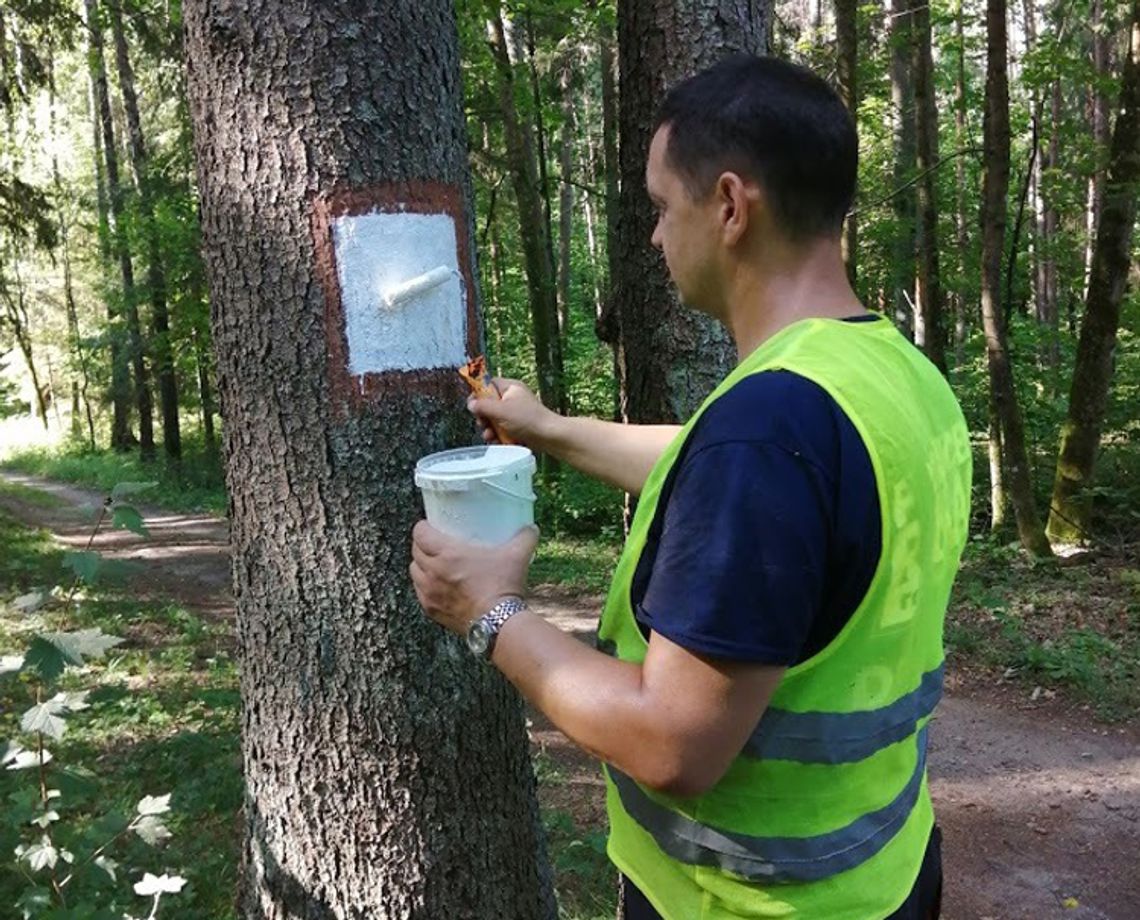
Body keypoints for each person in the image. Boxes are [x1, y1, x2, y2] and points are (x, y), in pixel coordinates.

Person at [410, 54, 972, 920]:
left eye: (662, 208)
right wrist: (549, 429)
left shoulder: (769, 430)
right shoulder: (889, 375)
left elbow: (672, 744)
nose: (654, 236)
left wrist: (491, 613)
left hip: (746, 902)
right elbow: (753, 482)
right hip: (884, 870)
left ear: (731, 207)